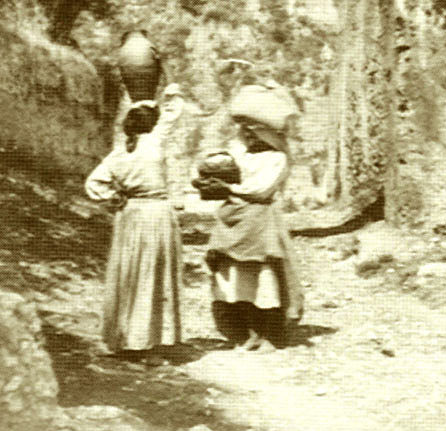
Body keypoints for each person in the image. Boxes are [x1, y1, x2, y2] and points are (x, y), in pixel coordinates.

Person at [199, 83, 304, 351]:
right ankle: (245, 332)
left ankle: (269, 334)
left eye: (255, 131)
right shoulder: (240, 154)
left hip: (259, 222)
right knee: (234, 278)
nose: (249, 135)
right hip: (232, 220)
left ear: (268, 134)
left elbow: (261, 189)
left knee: (262, 278)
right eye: (246, 130)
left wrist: (230, 188)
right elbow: (220, 168)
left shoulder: (276, 158)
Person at [85, 100, 182, 360]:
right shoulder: (155, 141)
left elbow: (93, 184)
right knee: (152, 276)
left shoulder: (120, 152)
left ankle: (125, 338)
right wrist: (165, 95)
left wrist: (115, 197)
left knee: (129, 274)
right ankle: (148, 346)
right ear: (152, 124)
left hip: (129, 215)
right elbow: (174, 112)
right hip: (155, 214)